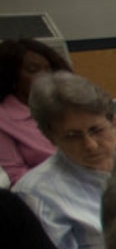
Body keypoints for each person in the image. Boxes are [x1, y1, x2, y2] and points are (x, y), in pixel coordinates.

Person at [13, 72, 116, 249]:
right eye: (73, 136)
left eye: (96, 130)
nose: (90, 145)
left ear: (115, 123)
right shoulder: (37, 193)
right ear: (51, 138)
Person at [0, 38, 69, 185]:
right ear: (11, 75)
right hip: (51, 191)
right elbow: (16, 175)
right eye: (33, 70)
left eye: (49, 69)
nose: (45, 76)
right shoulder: (4, 119)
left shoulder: (67, 102)